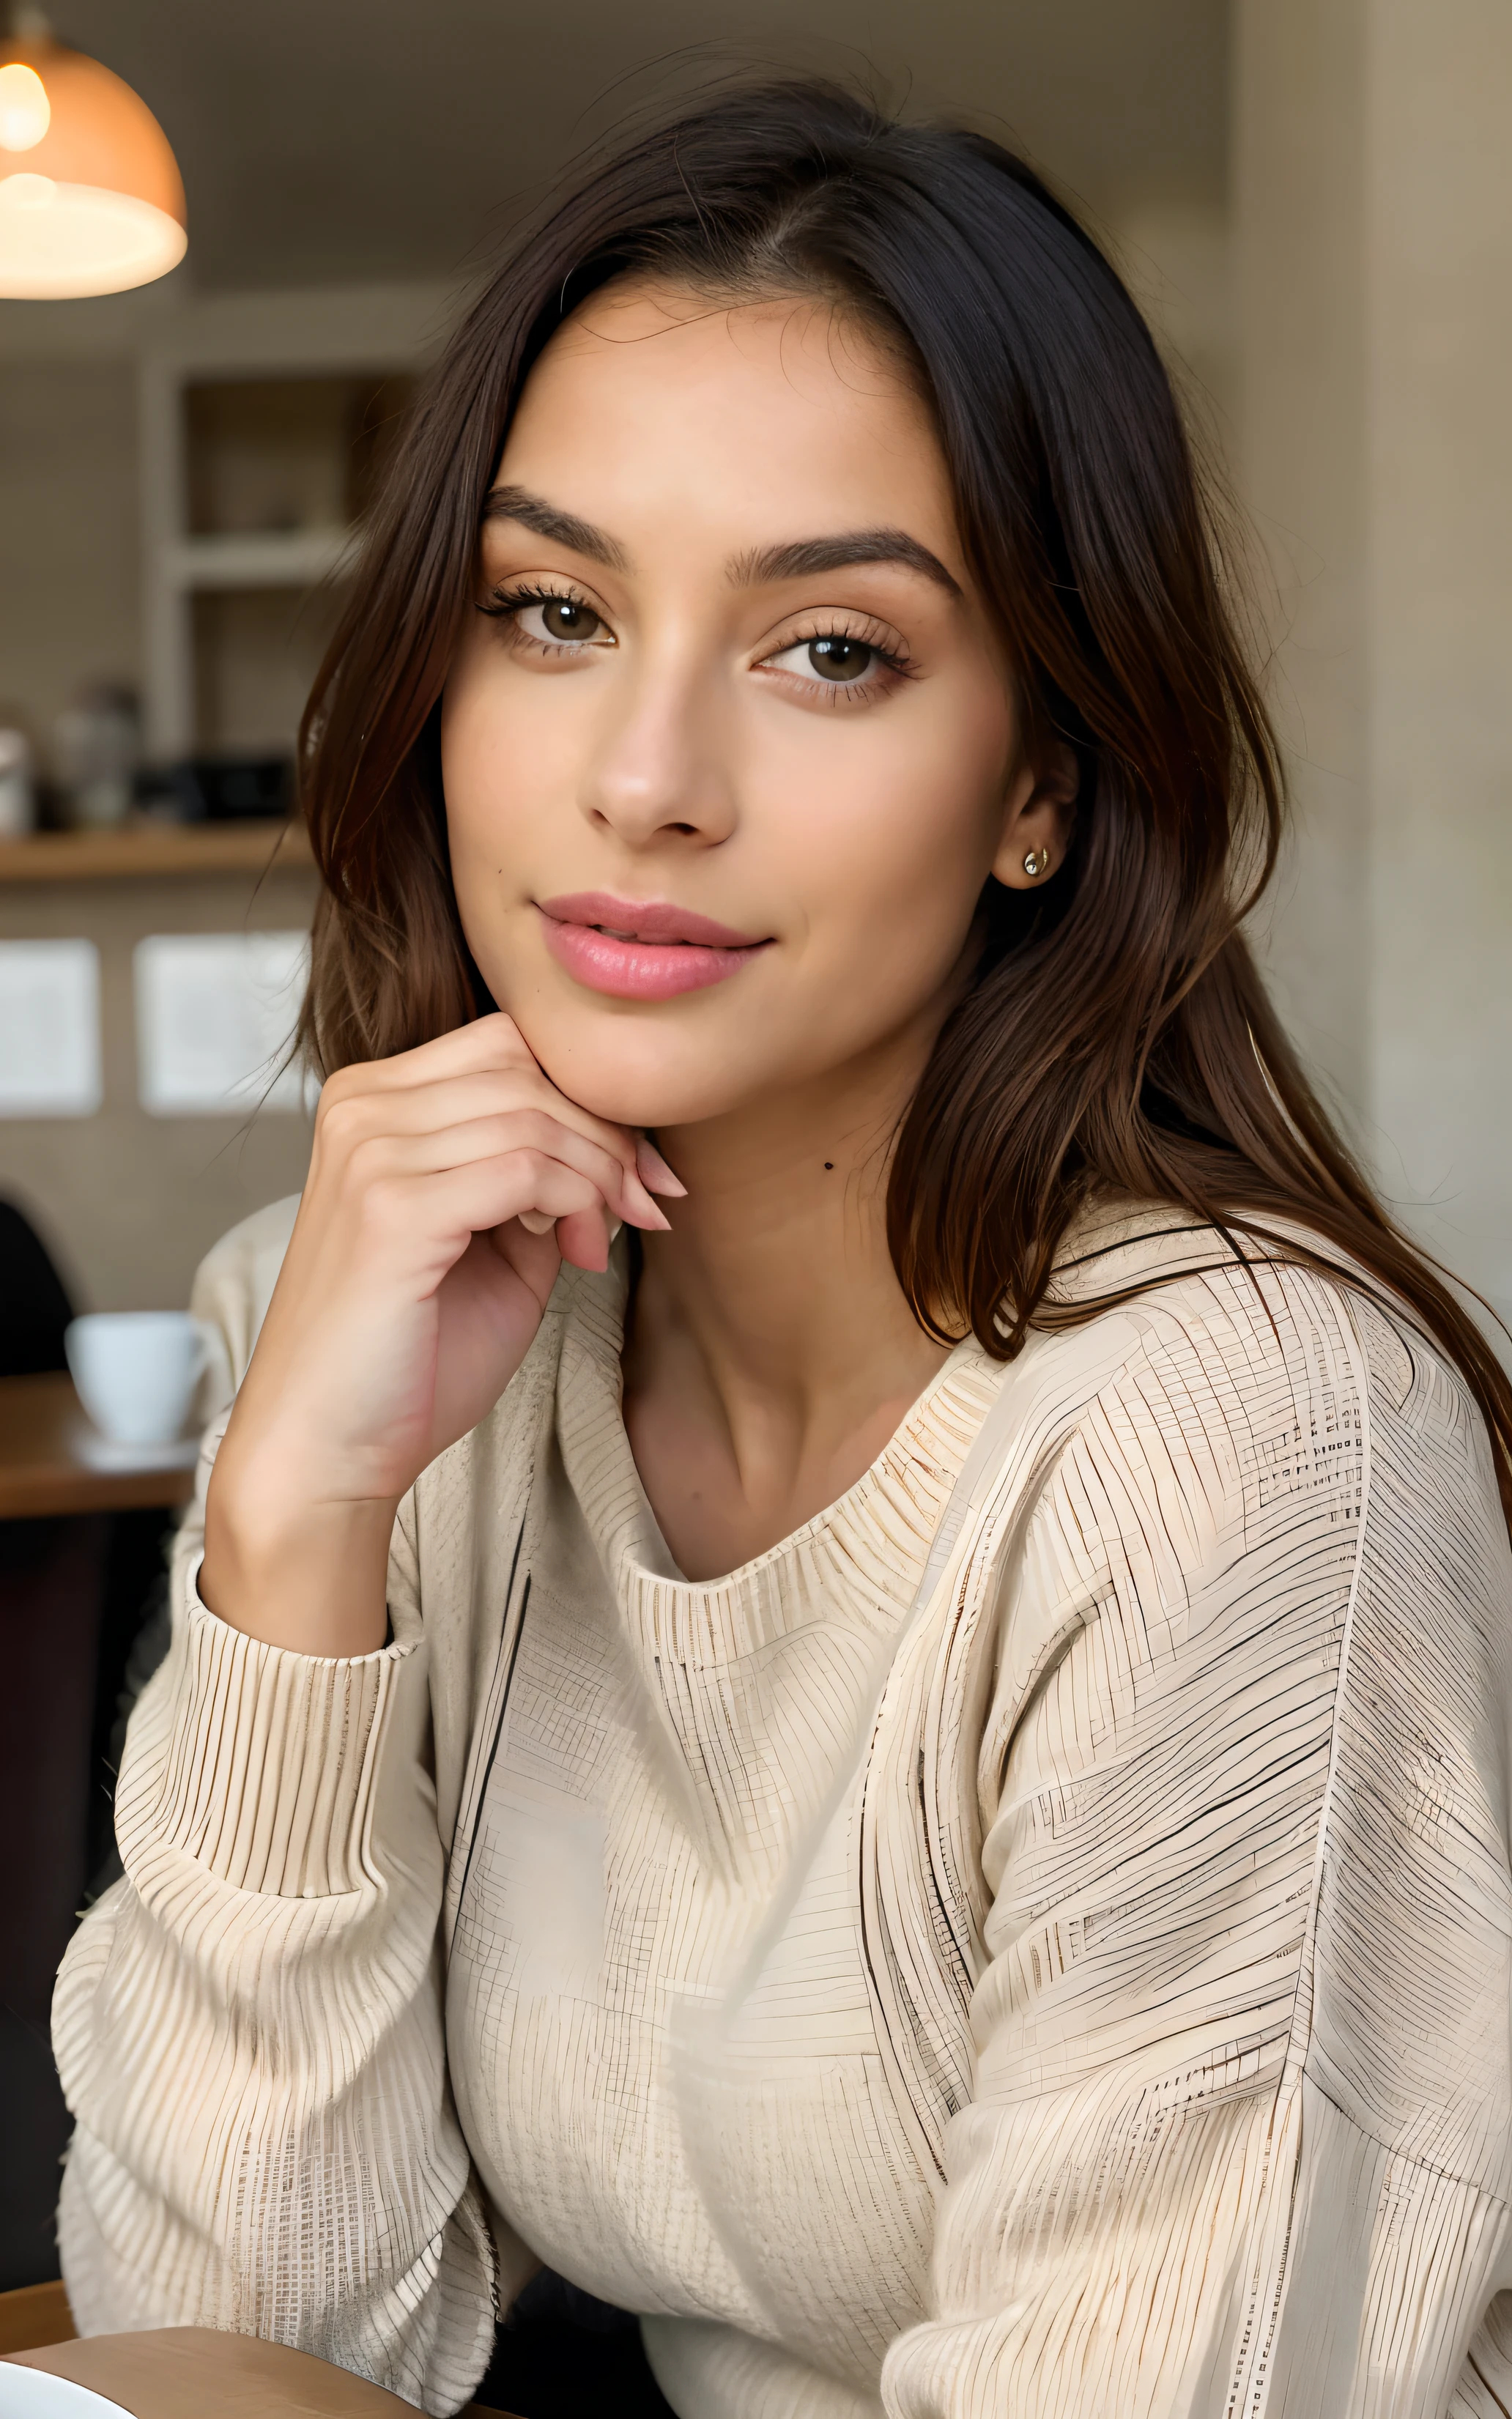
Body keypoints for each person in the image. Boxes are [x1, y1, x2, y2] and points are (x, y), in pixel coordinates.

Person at [52, 79, 1512, 2419]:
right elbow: (232, 2340)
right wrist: (290, 1536)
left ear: (1043, 782)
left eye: (830, 647)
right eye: (553, 610)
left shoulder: (1233, 1447)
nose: (644, 774)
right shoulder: (380, 1340)